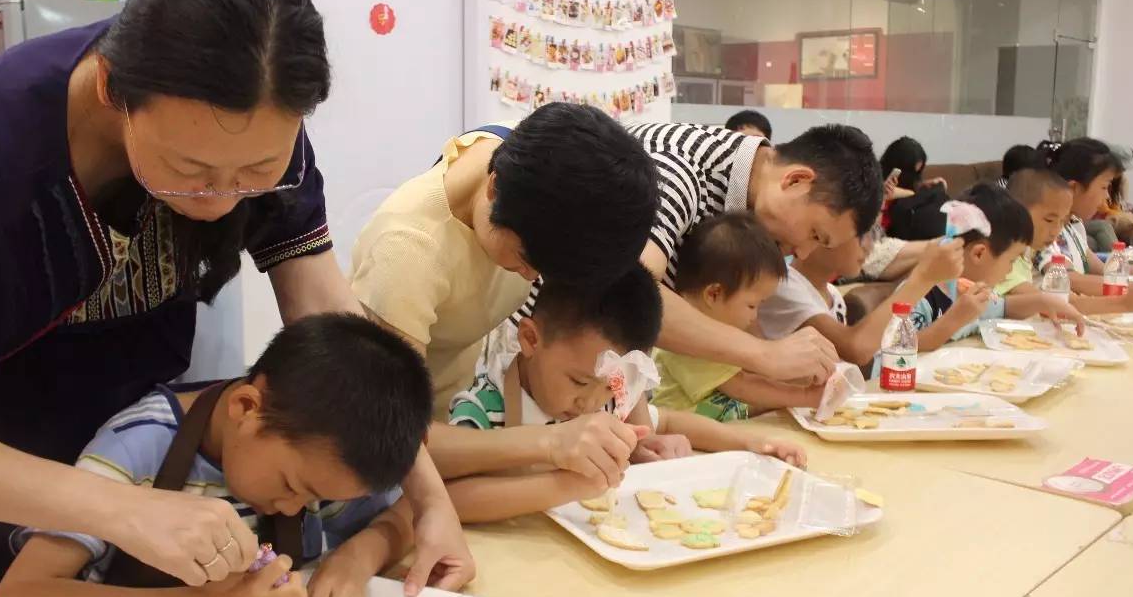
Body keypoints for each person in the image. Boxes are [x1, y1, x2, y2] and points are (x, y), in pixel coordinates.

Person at [0, 0, 471, 597]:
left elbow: (328, 319)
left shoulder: (255, 125)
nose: (220, 198)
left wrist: (430, 501)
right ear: (110, 91)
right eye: (190, 169)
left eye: (257, 170)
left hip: (132, 468)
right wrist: (114, 506)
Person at [0, 315, 429, 597]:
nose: (296, 508)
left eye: (316, 500)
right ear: (244, 408)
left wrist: (355, 559)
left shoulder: (317, 457)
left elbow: (408, 511)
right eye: (293, 486)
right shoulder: (138, 449)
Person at [354, 103, 659, 493]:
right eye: (527, 262)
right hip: (408, 452)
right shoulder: (408, 255)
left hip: (459, 426)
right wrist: (550, 444)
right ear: (494, 188)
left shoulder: (545, 166)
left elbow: (616, 315)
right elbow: (387, 436)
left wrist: (638, 431)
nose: (535, 279)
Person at [443, 267, 806, 523]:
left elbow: (672, 420)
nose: (589, 403)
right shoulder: (485, 409)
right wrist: (568, 486)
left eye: (608, 387)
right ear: (531, 339)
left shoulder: (604, 395)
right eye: (579, 382)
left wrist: (751, 444)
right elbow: (451, 499)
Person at [623, 122, 884, 386]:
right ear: (795, 180)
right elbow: (630, 294)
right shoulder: (678, 170)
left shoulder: (749, 205)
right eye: (815, 234)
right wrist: (765, 355)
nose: (804, 252)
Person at [652, 215, 826, 421]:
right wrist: (804, 396)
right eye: (752, 305)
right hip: (682, 445)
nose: (755, 316)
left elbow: (740, 401)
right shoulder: (687, 344)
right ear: (714, 294)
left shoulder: (722, 337)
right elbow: (742, 387)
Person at [909, 184, 1084, 350]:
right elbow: (898, 346)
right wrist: (954, 319)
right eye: (1011, 261)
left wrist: (1044, 301)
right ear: (979, 254)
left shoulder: (973, 293)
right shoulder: (921, 296)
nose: (1010, 271)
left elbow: (1005, 307)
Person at [759, 231, 963, 366]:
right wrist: (923, 278)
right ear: (819, 234)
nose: (870, 245)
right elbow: (856, 349)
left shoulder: (833, 295)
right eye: (861, 233)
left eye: (873, 234)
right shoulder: (783, 284)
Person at [1000, 169, 1133, 314]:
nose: (1056, 231)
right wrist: (1125, 303)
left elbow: (1065, 299)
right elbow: (1052, 304)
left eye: (1062, 222)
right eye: (1049, 220)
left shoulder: (1032, 249)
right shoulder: (1002, 257)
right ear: (1016, 212)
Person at [1036, 138, 1125, 294]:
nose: (1107, 197)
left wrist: (1131, 278)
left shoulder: (1073, 224)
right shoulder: (1047, 228)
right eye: (1104, 187)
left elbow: (1103, 270)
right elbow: (1069, 278)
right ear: (1074, 188)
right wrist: (1125, 289)